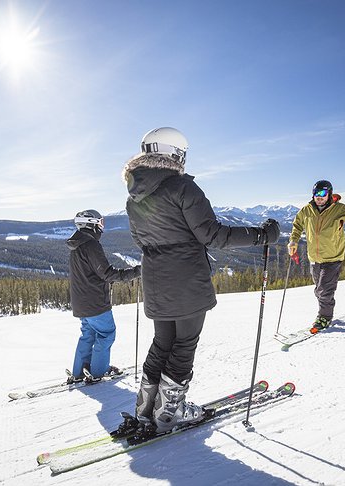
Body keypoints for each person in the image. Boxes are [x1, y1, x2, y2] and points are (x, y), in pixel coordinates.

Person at [122, 127, 279, 436]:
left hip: (155, 279)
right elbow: (213, 235)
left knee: (163, 342)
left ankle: (146, 408)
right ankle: (170, 412)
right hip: (186, 281)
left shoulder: (134, 196)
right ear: (176, 154)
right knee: (183, 345)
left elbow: (141, 241)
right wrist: (262, 234)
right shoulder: (182, 187)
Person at [287, 180, 345, 333]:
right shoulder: (306, 210)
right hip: (314, 257)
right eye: (316, 193)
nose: (319, 197)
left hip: (333, 257)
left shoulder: (338, 209)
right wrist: (293, 241)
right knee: (319, 290)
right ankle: (326, 310)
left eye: (323, 194)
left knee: (324, 289)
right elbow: (297, 225)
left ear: (329, 194)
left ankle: (324, 317)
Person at [67, 209, 141, 383]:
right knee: (106, 334)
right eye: (100, 223)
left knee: (88, 334)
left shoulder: (76, 245)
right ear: (91, 224)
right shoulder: (91, 244)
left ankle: (79, 372)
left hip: (81, 302)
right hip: (95, 302)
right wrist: (137, 271)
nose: (101, 227)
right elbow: (107, 273)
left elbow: (92, 273)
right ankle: (99, 371)